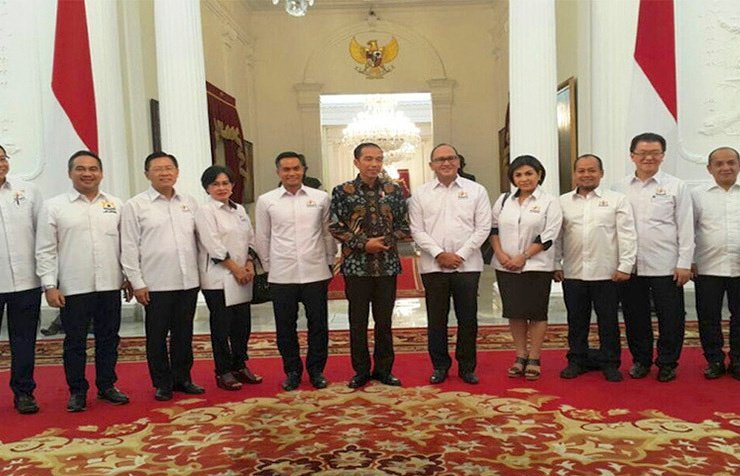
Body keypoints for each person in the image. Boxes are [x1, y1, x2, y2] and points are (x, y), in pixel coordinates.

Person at [35, 150, 131, 412]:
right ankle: (77, 391)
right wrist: (49, 285)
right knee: (75, 341)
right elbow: (45, 249)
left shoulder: (115, 204)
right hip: (73, 286)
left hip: (109, 284)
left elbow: (126, 245)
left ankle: (107, 385)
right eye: (81, 169)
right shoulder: (54, 206)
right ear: (70, 173)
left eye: (93, 169)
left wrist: (129, 277)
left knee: (109, 338)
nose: (87, 173)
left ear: (101, 173)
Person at [121, 151, 203, 401]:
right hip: (155, 283)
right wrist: (137, 282)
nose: (164, 173)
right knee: (156, 336)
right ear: (147, 174)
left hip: (187, 281)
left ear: (177, 172)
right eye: (158, 169)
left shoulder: (189, 202)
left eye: (169, 168)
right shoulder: (136, 205)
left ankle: (183, 378)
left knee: (184, 334)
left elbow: (200, 241)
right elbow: (129, 246)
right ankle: (162, 383)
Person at [612, 132, 694, 382]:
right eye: (643, 153)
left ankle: (668, 362)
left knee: (671, 317)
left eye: (654, 153)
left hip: (666, 265)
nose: (648, 158)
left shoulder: (676, 186)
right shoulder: (619, 188)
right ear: (632, 156)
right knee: (635, 316)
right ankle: (641, 360)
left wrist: (684, 263)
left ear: (662, 156)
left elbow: (686, 226)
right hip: (631, 265)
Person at [329, 142, 411, 389]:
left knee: (384, 322)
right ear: (356, 162)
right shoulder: (343, 191)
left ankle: (384, 370)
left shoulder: (394, 190)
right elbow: (335, 226)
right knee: (358, 322)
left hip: (387, 266)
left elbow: (404, 226)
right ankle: (361, 371)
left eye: (378, 159)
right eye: (368, 159)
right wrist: (364, 244)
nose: (374, 164)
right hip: (356, 267)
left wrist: (384, 242)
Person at [408, 143, 491, 385]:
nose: (446, 163)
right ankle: (440, 366)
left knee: (468, 319)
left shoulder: (477, 191)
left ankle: (467, 367)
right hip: (433, 266)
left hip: (468, 266)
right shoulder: (421, 194)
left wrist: (460, 255)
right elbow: (416, 230)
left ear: (458, 162)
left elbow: (483, 228)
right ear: (431, 165)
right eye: (440, 159)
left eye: (451, 158)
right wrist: (439, 254)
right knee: (437, 319)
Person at [256, 152, 335, 391]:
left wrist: (330, 261)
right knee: (285, 326)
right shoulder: (267, 200)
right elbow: (262, 237)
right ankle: (292, 371)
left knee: (318, 324)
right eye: (286, 169)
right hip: (282, 273)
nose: (291, 173)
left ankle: (316, 370)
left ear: (303, 170)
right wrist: (268, 268)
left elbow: (327, 233)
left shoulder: (320, 198)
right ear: (278, 172)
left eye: (296, 168)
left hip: (315, 271)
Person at [554, 154, 637, 382]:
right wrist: (555, 263)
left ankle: (610, 363)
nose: (586, 175)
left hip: (607, 273)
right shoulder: (562, 202)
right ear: (574, 174)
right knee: (576, 320)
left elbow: (627, 235)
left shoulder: (616, 200)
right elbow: (557, 236)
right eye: (581, 171)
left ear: (601, 173)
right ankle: (576, 360)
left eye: (592, 170)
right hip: (574, 272)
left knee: (608, 321)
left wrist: (625, 266)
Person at [491, 155, 562, 380]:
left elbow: (549, 235)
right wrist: (501, 254)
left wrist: (523, 256)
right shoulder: (504, 200)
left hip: (537, 266)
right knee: (515, 312)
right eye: (519, 174)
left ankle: (534, 357)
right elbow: (493, 229)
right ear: (512, 178)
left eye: (529, 173)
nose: (524, 178)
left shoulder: (550, 202)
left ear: (539, 175)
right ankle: (520, 355)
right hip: (506, 266)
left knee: (536, 313)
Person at [195, 165, 262, 391]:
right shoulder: (205, 211)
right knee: (222, 326)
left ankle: (240, 365)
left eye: (225, 183)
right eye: (215, 184)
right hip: (218, 278)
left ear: (232, 186)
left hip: (243, 275)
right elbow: (212, 244)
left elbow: (250, 238)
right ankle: (223, 371)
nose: (221, 188)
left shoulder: (239, 209)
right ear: (207, 188)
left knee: (242, 324)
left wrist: (249, 264)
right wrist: (236, 269)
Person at [0, 145, 43, 414]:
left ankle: (24, 392)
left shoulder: (28, 191)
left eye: (2, 158)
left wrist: (48, 276)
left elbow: (43, 234)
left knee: (24, 340)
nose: (0, 164)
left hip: (27, 281)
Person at [691, 146, 740, 380]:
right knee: (708, 317)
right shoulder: (697, 195)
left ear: (738, 165)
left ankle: (738, 360)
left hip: (738, 267)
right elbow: (688, 229)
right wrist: (689, 260)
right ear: (709, 168)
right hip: (707, 266)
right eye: (719, 164)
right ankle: (714, 360)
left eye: (731, 162)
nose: (725, 168)